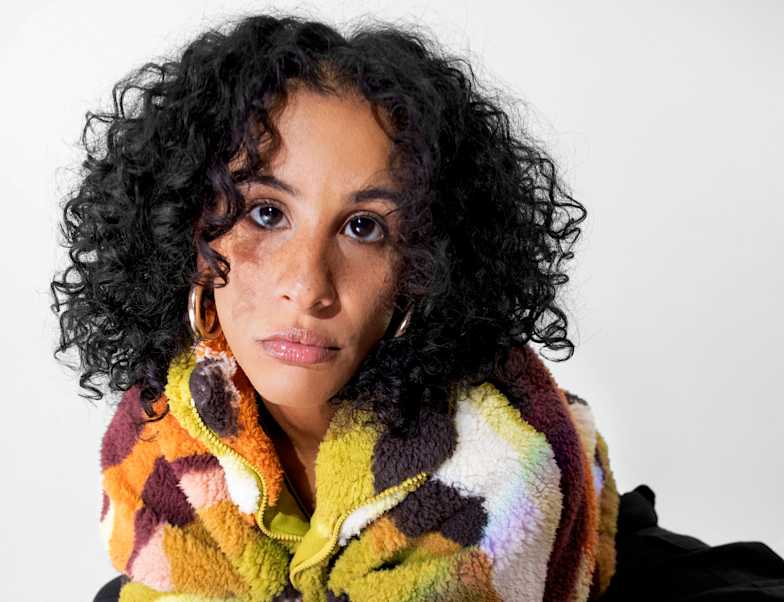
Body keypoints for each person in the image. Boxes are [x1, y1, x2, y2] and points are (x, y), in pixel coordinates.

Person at [51, 13, 784, 602]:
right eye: (266, 214)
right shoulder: (158, 528)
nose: (308, 285)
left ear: (427, 265)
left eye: (364, 227)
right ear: (187, 230)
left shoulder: (559, 518)